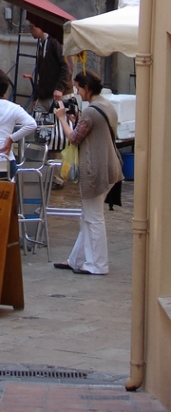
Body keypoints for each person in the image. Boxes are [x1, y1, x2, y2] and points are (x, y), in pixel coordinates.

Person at [53, 70, 123, 275]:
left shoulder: (92, 111)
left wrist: (62, 119)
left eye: (79, 88)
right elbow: (90, 132)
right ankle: (77, 260)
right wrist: (77, 120)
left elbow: (74, 138)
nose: (77, 92)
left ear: (88, 88)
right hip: (108, 166)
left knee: (93, 218)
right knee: (88, 216)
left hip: (96, 169)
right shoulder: (106, 105)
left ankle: (98, 264)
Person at [25, 16, 72, 112]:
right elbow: (42, 74)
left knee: (59, 125)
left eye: (31, 27)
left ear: (40, 26)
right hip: (44, 96)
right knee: (37, 123)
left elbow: (67, 67)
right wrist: (36, 96)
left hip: (59, 95)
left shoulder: (56, 41)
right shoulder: (41, 44)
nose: (30, 31)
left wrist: (60, 88)